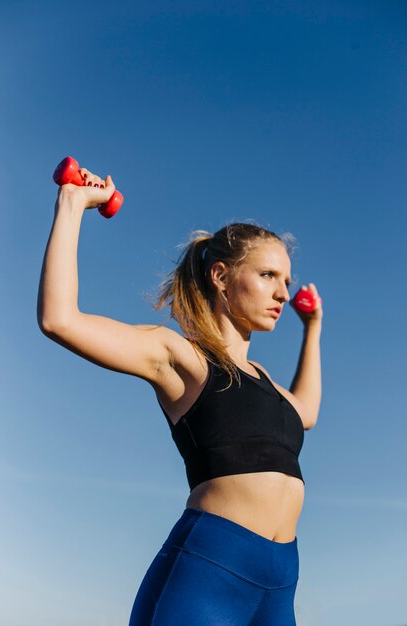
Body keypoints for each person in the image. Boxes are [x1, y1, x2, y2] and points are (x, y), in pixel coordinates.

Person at [38, 166, 322, 626]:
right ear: (221, 276)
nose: (283, 293)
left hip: (280, 587)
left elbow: (305, 412)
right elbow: (60, 320)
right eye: (269, 275)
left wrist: (313, 331)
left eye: (287, 281)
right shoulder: (183, 359)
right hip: (210, 575)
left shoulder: (265, 378)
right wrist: (71, 204)